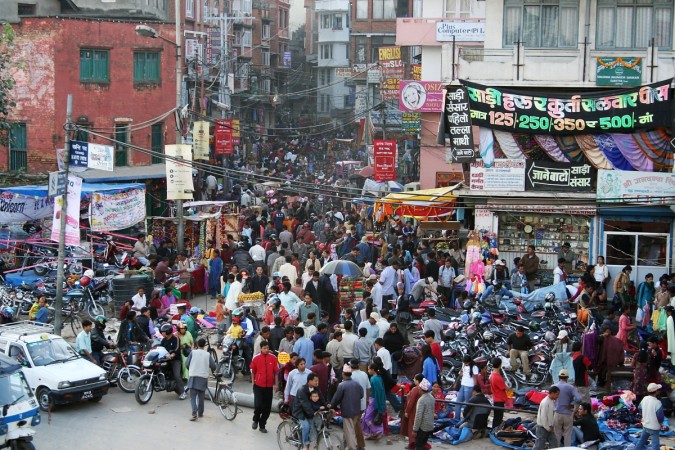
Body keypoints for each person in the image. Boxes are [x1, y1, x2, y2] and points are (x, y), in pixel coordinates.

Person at [331, 364, 364, 450]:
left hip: (347, 411)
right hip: (356, 410)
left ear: (343, 374)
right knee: (349, 429)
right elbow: (361, 395)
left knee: (349, 431)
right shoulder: (357, 384)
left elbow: (336, 399)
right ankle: (343, 446)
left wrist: (331, 405)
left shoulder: (342, 385)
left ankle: (352, 447)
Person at [250, 340, 279, 433]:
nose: (266, 350)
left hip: (269, 386)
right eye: (264, 348)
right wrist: (253, 383)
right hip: (258, 386)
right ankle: (255, 420)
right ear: (261, 348)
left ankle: (262, 425)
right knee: (258, 405)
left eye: (267, 348)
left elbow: (276, 372)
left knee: (267, 408)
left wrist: (276, 384)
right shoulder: (256, 358)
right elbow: (253, 371)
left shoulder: (273, 358)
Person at [186, 338, 216, 421]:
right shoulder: (207, 355)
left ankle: (194, 413)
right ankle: (200, 413)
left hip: (193, 376)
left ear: (197, 345)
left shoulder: (193, 353)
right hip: (203, 377)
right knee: (201, 396)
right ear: (204, 346)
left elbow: (187, 364)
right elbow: (213, 366)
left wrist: (191, 369)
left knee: (192, 396)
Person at [294, 373, 326, 450]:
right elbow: (305, 405)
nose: (317, 382)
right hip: (300, 411)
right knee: (306, 426)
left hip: (311, 410)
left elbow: (321, 399)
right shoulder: (302, 390)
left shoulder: (316, 388)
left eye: (317, 381)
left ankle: (313, 440)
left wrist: (327, 405)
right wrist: (313, 413)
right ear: (309, 381)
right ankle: (305, 445)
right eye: (315, 381)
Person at [553, 369, 582, 447]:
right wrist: (572, 404)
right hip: (568, 413)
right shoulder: (571, 387)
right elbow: (579, 398)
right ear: (567, 378)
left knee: (557, 434)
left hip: (557, 413)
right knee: (567, 435)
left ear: (559, 377)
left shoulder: (554, 386)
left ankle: (556, 448)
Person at [159, 323, 187, 400]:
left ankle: (182, 392)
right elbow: (160, 348)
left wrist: (172, 355)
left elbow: (177, 349)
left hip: (175, 360)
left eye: (163, 331)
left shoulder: (176, 339)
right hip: (165, 359)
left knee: (177, 375)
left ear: (168, 331)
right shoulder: (163, 340)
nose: (162, 333)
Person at [635, 383, 665, 450]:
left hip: (645, 425)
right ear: (656, 391)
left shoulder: (644, 399)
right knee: (655, 446)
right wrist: (661, 424)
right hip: (654, 427)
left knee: (641, 442)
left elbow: (639, 408)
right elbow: (660, 417)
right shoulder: (657, 402)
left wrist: (644, 416)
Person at [413, 378, 435, 450]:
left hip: (422, 427)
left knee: (419, 446)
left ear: (421, 389)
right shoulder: (432, 398)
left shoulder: (421, 400)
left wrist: (415, 430)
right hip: (429, 426)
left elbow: (418, 416)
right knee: (423, 444)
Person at [454, 354, 478, 421]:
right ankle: (456, 418)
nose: (465, 364)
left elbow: (475, 378)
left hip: (469, 386)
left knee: (467, 403)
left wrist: (474, 388)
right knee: (458, 402)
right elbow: (461, 374)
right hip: (463, 385)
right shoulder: (463, 365)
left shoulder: (474, 367)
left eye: (466, 363)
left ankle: (466, 419)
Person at [490, 357, 508, 429]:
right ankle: (495, 430)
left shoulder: (492, 375)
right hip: (499, 399)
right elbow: (504, 388)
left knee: (496, 417)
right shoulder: (497, 377)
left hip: (496, 398)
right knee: (498, 418)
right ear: (500, 365)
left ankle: (494, 430)